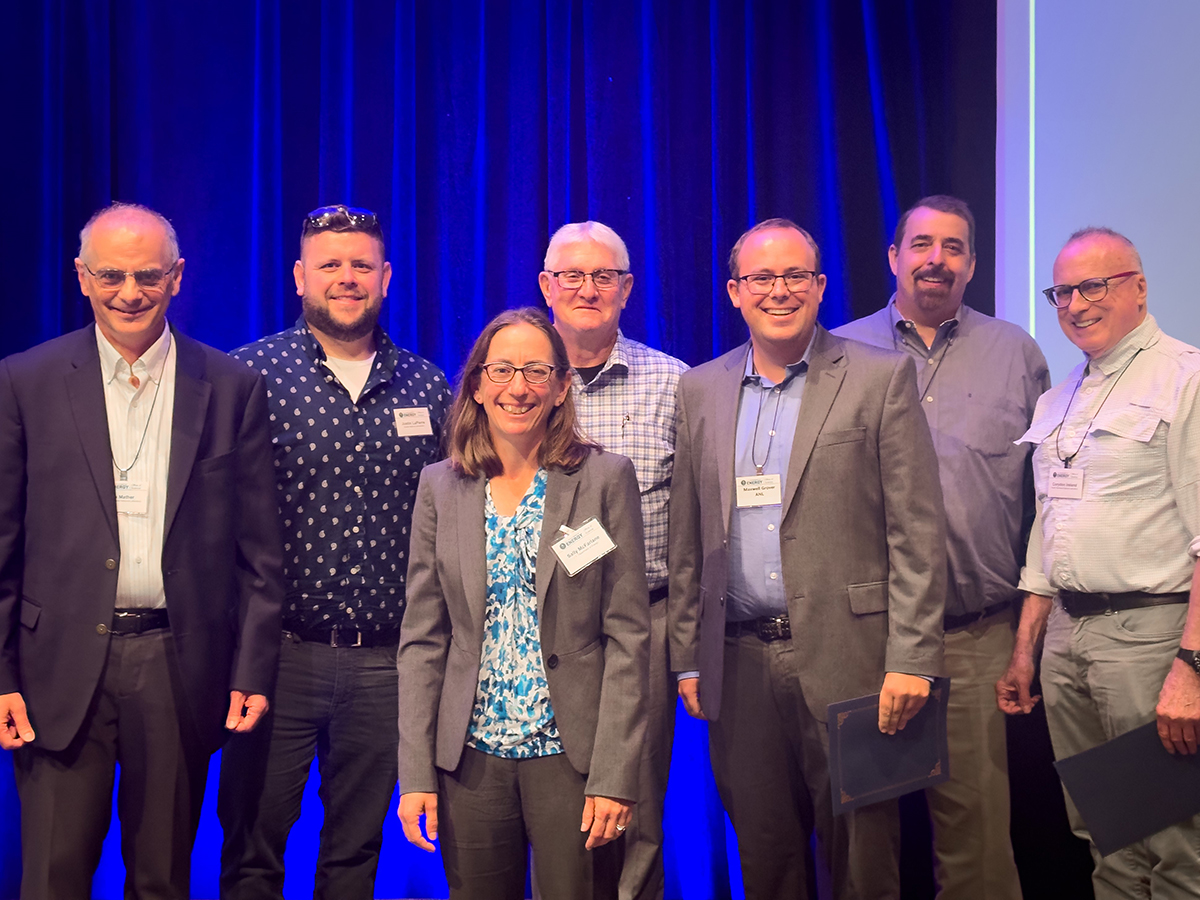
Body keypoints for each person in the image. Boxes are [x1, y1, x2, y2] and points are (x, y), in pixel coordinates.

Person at [0, 202, 283, 898]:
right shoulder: (24, 382)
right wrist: (2, 673)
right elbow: (2, 542)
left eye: (148, 275)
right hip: (55, 669)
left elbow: (261, 555)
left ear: (178, 277)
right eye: (112, 275)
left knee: (161, 878)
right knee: (53, 878)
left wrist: (250, 669)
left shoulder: (231, 388)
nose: (130, 292)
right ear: (81, 277)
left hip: (177, 664)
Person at [668, 217, 947, 899]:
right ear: (735, 292)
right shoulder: (699, 389)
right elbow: (686, 535)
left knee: (865, 863)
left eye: (796, 275)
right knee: (766, 861)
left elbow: (917, 531)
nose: (779, 290)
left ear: (820, 287)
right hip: (738, 665)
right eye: (762, 277)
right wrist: (687, 654)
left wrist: (912, 658)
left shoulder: (879, 377)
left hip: (855, 661)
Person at [218, 205, 452, 899]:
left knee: (355, 854)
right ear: (299, 277)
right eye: (329, 265)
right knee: (253, 845)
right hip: (275, 660)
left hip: (386, 664)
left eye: (360, 266)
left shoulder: (428, 386)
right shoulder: (245, 378)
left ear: (384, 278)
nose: (346, 279)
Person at [834, 195, 1048, 899]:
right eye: (921, 244)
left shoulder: (1016, 353)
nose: (936, 259)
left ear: (974, 265)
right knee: (865, 848)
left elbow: (1049, 498)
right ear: (893, 258)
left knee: (979, 849)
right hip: (864, 640)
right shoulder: (837, 353)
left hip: (974, 636)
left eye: (953, 247)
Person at [397, 307, 650, 900]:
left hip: (572, 758)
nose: (519, 387)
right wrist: (415, 774)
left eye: (537, 371)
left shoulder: (605, 479)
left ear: (563, 387)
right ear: (478, 386)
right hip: (471, 759)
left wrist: (615, 774)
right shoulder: (439, 486)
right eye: (503, 369)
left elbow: (629, 638)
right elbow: (423, 640)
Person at [997, 227, 1200, 898]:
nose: (1076, 304)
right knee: (1106, 839)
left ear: (1139, 288)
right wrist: (1027, 648)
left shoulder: (1186, 379)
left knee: (1175, 846)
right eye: (1062, 291)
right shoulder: (1058, 399)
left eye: (1095, 286)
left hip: (1149, 639)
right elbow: (1046, 536)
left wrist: (1191, 667)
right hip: (1067, 639)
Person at [539, 221, 688, 900]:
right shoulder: (518, 382)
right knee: (548, 808)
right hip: (539, 634)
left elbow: (691, 531)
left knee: (638, 811)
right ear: (546, 287)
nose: (587, 289)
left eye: (604, 277)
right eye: (571, 275)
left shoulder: (674, 385)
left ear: (627, 289)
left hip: (643, 629)